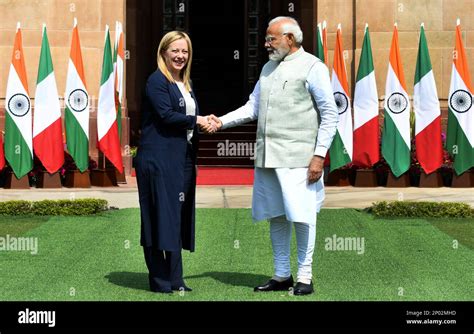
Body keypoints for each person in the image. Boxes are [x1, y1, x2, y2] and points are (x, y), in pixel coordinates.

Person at [209, 17, 338, 295]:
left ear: (290, 39)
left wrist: (319, 156)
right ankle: (281, 274)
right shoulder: (268, 68)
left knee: (302, 215)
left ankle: (305, 276)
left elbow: (330, 113)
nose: (266, 44)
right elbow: (251, 107)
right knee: (276, 216)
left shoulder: (313, 67)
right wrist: (220, 122)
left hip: (300, 158)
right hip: (268, 157)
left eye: (271, 38)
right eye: (267, 38)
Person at [135, 31, 213, 293]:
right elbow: (166, 115)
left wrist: (204, 119)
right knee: (158, 216)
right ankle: (159, 280)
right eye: (175, 51)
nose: (180, 56)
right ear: (164, 52)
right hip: (158, 160)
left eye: (185, 51)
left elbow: (187, 114)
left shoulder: (185, 83)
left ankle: (176, 279)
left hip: (182, 158)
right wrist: (197, 121)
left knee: (177, 216)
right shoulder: (156, 81)